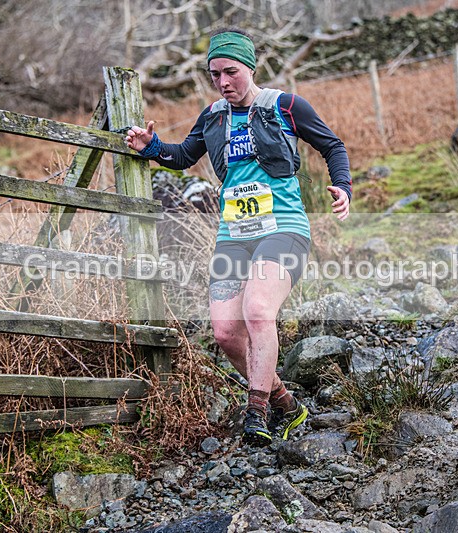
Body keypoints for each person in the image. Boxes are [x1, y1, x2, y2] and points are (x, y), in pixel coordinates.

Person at [125, 28, 352, 448]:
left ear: (250, 67)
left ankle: (256, 414)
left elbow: (333, 146)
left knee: (259, 311)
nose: (223, 82)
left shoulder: (285, 106)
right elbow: (182, 156)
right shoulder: (213, 116)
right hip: (234, 235)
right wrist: (151, 146)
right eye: (215, 74)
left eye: (231, 72)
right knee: (227, 332)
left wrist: (342, 186)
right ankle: (286, 404)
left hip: (283, 229)